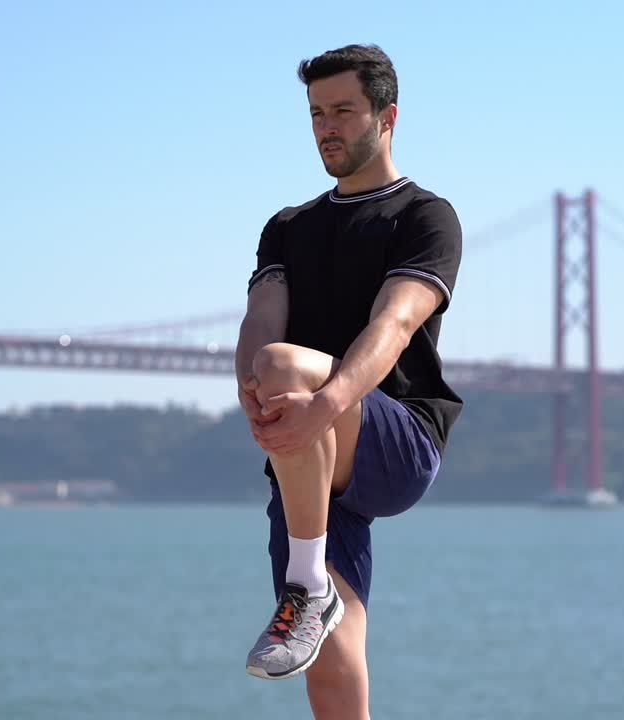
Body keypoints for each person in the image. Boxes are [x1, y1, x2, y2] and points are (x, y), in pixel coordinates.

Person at [235, 44, 464, 718]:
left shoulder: (426, 218)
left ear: (386, 116)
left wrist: (321, 402)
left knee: (283, 365)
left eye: (342, 110)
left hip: (394, 437)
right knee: (331, 672)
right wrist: (252, 394)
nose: (326, 126)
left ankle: (307, 586)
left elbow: (394, 326)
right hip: (307, 458)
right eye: (315, 114)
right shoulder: (288, 227)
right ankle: (316, 599)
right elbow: (261, 317)